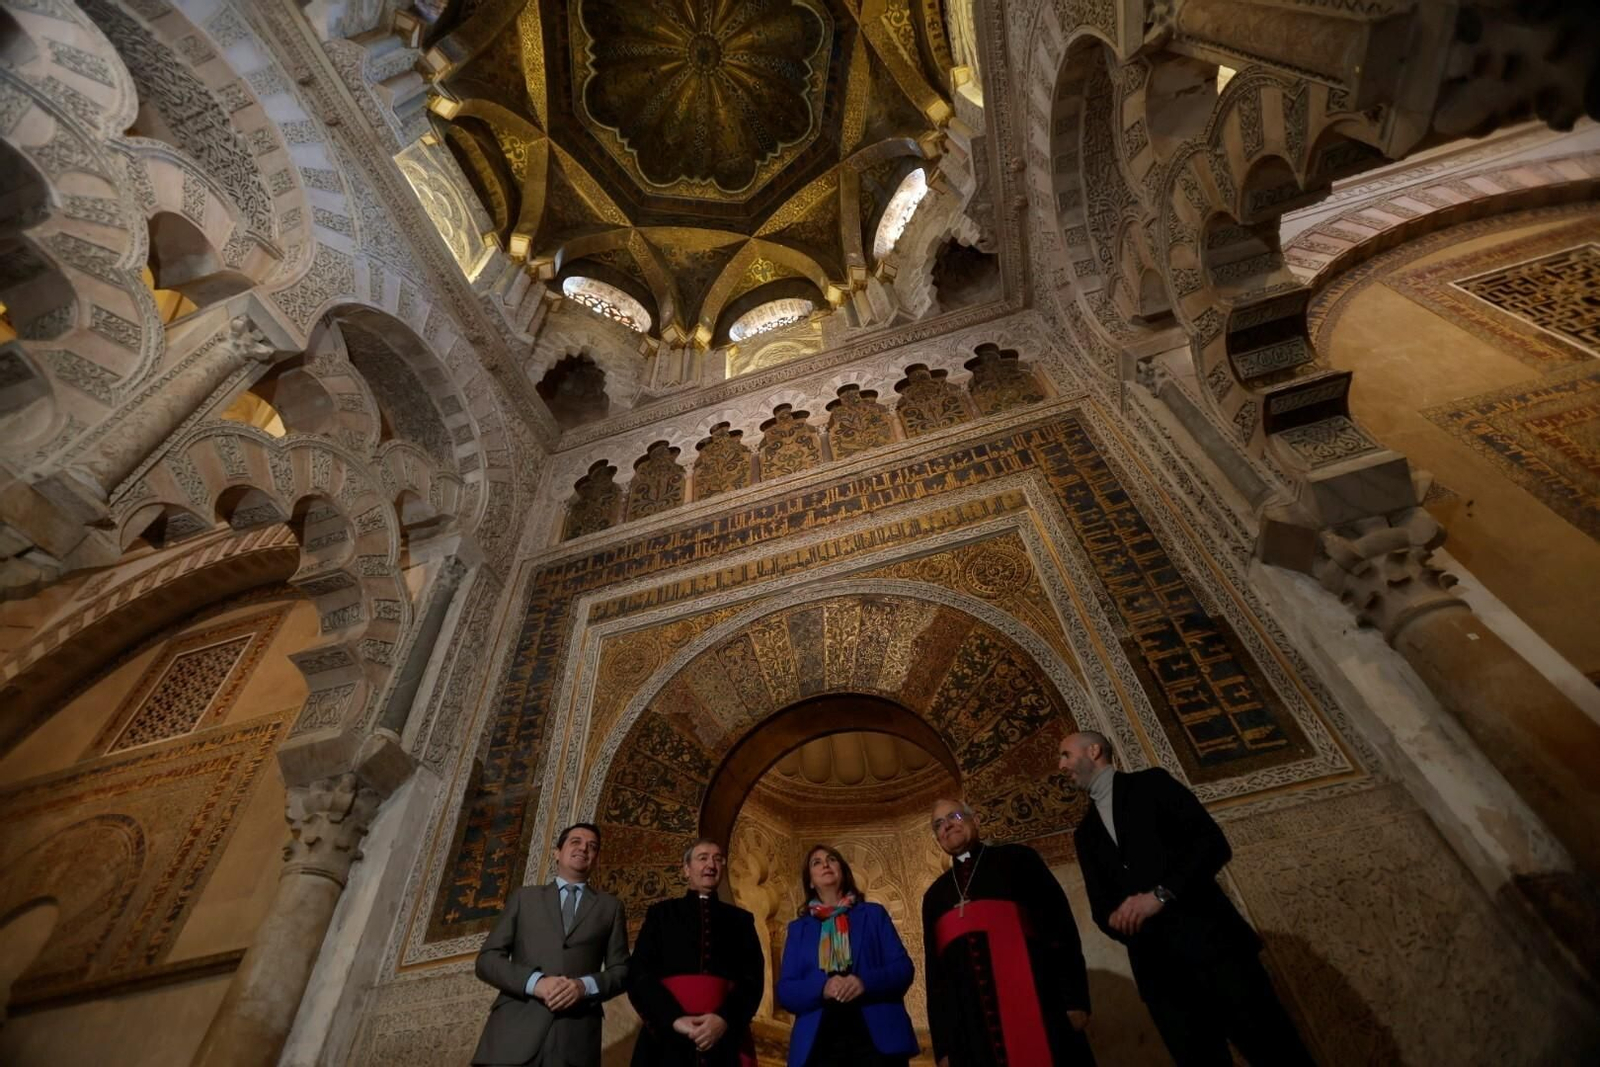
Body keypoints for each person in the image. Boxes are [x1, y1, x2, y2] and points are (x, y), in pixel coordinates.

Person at [1060, 730, 1315, 1066]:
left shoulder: (1151, 785)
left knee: (1276, 1053)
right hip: (1161, 977)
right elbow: (1101, 909)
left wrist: (1159, 896)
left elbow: (1211, 844)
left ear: (1094, 751)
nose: (1060, 765)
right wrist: (1118, 918)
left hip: (1217, 953)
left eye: (1065, 754)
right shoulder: (1085, 834)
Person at [920, 798, 1094, 1067]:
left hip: (1040, 1006)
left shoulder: (1019, 860)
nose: (947, 826)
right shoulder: (934, 897)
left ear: (975, 820)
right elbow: (936, 975)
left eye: (953, 816)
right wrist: (944, 1045)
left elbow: (1059, 928)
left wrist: (1075, 999)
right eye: (938, 825)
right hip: (972, 1029)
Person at [471, 822, 630, 1067]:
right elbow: (487, 960)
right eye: (575, 842)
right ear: (557, 852)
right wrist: (536, 983)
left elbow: (621, 971)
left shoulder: (610, 907)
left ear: (596, 858)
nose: (583, 849)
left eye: (592, 846)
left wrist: (583, 986)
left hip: (574, 1037)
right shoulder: (525, 897)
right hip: (513, 1033)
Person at [776, 845, 919, 1067]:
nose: (825, 864)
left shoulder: (873, 915)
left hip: (875, 1037)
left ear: (842, 871)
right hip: (820, 1042)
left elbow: (902, 969)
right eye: (817, 862)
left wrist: (863, 982)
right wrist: (822, 988)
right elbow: (786, 990)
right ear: (811, 882)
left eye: (832, 859)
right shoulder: (799, 929)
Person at [627, 838, 764, 1066]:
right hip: (666, 1036)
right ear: (686, 869)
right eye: (703, 858)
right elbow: (639, 974)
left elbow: (752, 980)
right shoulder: (661, 914)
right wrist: (673, 1019)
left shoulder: (741, 920)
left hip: (724, 1037)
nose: (711, 864)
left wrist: (723, 1020)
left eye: (718, 859)